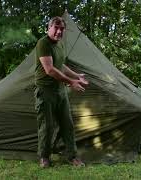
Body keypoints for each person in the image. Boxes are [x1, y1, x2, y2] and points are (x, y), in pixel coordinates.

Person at [35, 16, 88, 168]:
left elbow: (61, 66)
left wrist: (77, 76)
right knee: (47, 126)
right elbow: (50, 70)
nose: (59, 31)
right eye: (56, 28)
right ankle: (44, 157)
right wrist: (71, 82)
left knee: (67, 124)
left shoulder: (60, 45)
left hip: (60, 90)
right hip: (45, 91)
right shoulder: (43, 43)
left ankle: (72, 156)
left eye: (62, 29)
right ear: (49, 28)